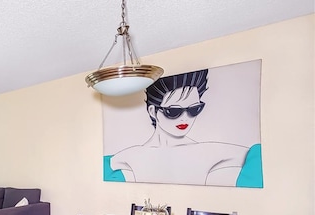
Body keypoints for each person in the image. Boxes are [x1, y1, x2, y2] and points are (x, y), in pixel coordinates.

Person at [104, 69, 263, 187]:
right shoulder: (130, 155)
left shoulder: (208, 151)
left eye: (194, 109)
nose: (185, 117)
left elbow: (254, 156)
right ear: (153, 111)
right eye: (173, 111)